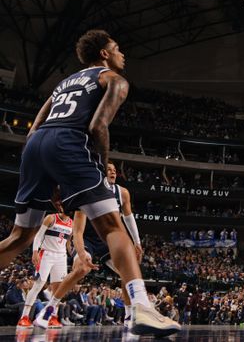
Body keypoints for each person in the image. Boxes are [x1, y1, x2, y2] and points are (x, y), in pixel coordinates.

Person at [0, 29, 179, 336]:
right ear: (105, 54)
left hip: (35, 147)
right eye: (118, 48)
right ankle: (142, 308)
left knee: (19, 236)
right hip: (69, 143)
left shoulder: (63, 84)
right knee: (113, 226)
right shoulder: (114, 79)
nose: (123, 54)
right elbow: (98, 125)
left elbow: (32, 132)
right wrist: (99, 164)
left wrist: (51, 175)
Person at [35, 162, 143, 330]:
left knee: (128, 271)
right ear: (100, 173)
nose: (113, 172)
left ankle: (129, 317)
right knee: (81, 269)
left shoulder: (122, 193)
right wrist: (81, 253)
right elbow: (77, 231)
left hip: (108, 238)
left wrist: (137, 242)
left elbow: (129, 219)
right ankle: (50, 308)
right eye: (109, 170)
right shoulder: (86, 191)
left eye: (115, 170)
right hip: (87, 239)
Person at [17, 207, 73, 330]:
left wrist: (73, 253)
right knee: (38, 285)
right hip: (46, 254)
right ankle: (24, 317)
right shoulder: (51, 218)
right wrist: (35, 251)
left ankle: (52, 317)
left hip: (61, 256)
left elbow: (68, 241)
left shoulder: (72, 223)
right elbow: (38, 236)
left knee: (58, 289)